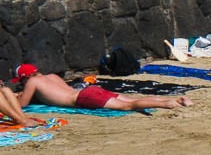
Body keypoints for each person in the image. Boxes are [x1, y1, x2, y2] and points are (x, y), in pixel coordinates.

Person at [11, 64, 192, 113]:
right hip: (88, 91)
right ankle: (179, 100)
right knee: (129, 100)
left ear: (25, 78)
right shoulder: (51, 76)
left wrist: (12, 97)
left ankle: (168, 104)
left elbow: (23, 104)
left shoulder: (32, 83)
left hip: (83, 98)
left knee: (129, 105)